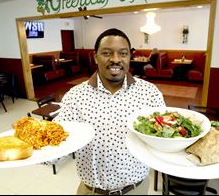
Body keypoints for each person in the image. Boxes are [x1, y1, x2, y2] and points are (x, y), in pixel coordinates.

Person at [53, 28, 166, 195]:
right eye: (107, 53)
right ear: (95, 57)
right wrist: (31, 141)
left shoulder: (150, 93)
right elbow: (56, 144)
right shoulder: (75, 96)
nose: (115, 59)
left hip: (136, 189)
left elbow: (164, 137)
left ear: (129, 56)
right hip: (91, 191)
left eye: (123, 53)